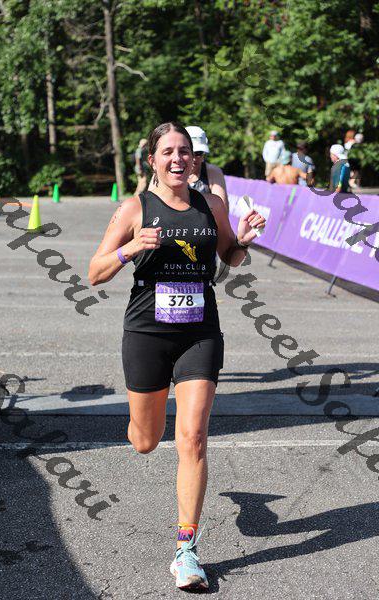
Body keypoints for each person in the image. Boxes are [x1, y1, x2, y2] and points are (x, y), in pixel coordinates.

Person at [88, 121, 265, 591]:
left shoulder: (211, 205)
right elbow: (94, 273)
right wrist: (129, 248)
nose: (178, 159)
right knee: (146, 440)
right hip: (147, 331)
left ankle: (186, 550)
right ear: (153, 160)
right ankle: (141, 424)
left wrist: (244, 239)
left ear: (195, 159)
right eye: (168, 152)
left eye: (185, 151)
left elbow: (229, 256)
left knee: (193, 438)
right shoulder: (135, 208)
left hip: (199, 332)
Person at [185, 125, 229, 211]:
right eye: (190, 152)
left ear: (203, 154)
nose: (194, 158)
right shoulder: (171, 172)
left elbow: (222, 210)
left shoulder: (212, 172)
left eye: (198, 153)